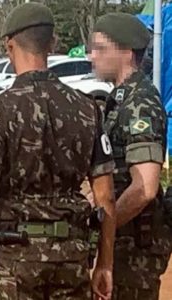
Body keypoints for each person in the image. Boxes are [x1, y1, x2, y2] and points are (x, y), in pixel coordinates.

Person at [0, 3, 116, 300]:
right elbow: (105, 196)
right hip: (72, 254)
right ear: (52, 43)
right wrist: (105, 264)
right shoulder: (87, 109)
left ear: (9, 45)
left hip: (17, 255)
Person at [90, 13, 172, 300]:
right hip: (125, 245)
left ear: (126, 52)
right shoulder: (122, 99)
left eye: (100, 48)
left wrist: (103, 233)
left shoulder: (140, 104)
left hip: (133, 251)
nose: (92, 57)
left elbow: (145, 188)